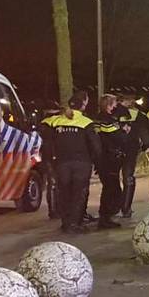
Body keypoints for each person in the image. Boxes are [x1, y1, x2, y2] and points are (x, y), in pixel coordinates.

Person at [38, 91, 100, 234]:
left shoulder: (55, 121)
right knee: (79, 193)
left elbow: (46, 138)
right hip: (81, 163)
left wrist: (48, 160)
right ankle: (75, 223)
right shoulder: (86, 123)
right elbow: (95, 146)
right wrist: (98, 162)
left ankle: (66, 223)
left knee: (64, 192)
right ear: (84, 104)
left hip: (61, 163)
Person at [91, 94, 125, 230]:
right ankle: (105, 218)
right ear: (108, 105)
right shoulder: (106, 120)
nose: (116, 106)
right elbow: (118, 137)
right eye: (114, 104)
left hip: (103, 159)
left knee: (110, 188)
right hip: (109, 159)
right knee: (112, 189)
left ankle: (106, 217)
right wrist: (124, 131)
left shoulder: (97, 119)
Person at [113, 91, 144, 218]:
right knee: (128, 178)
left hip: (113, 150)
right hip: (130, 150)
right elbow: (144, 131)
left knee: (113, 179)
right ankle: (126, 208)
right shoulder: (137, 114)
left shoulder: (110, 113)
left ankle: (114, 206)